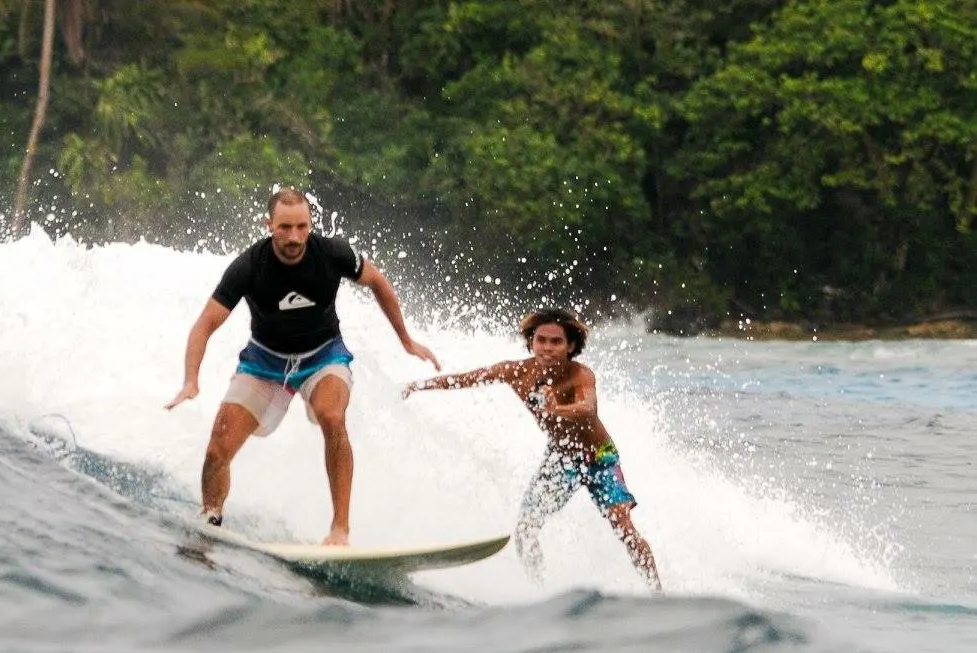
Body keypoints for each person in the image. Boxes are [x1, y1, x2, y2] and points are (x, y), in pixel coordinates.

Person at [165, 187, 440, 546]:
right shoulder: (249, 266)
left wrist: (405, 339)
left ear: (311, 224)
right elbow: (204, 324)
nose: (294, 237)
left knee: (331, 416)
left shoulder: (333, 254)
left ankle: (340, 531)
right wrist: (190, 380)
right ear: (269, 225)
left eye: (301, 227)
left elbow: (378, 282)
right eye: (284, 228)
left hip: (323, 356)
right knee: (218, 449)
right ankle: (210, 519)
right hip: (265, 362)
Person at [402, 308, 661, 591]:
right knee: (525, 531)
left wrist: (557, 408)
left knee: (623, 527)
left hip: (599, 456)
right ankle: (539, 591)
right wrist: (420, 385)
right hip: (562, 458)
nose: (547, 348)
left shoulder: (580, 374)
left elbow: (588, 408)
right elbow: (469, 378)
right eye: (541, 340)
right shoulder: (517, 372)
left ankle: (657, 593)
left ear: (571, 346)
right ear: (531, 342)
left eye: (556, 342)